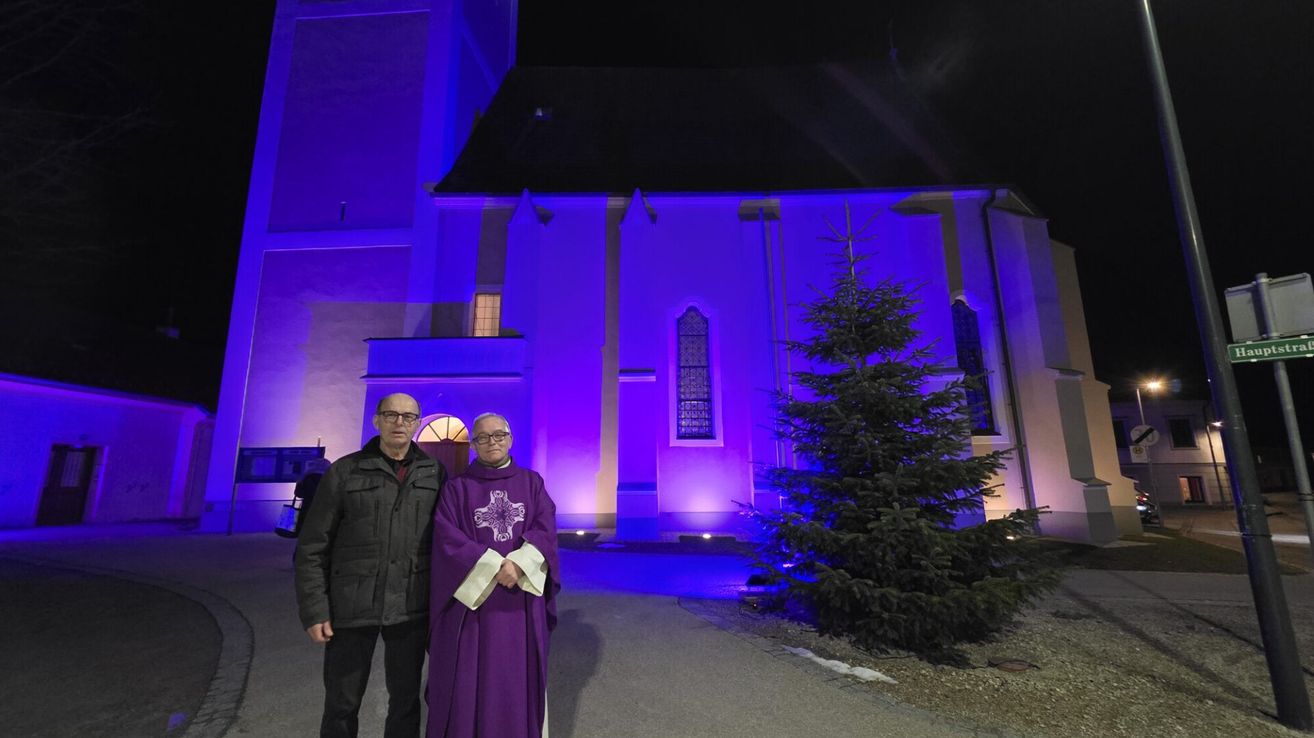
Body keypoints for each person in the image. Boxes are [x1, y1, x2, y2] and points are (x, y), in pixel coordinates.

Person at [295, 393, 447, 738]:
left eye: (408, 417)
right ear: (376, 420)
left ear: (418, 424)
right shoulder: (345, 471)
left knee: (406, 701)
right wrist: (315, 609)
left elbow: (448, 538)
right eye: (391, 415)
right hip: (351, 605)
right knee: (341, 703)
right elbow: (313, 545)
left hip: (410, 605)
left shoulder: (434, 472)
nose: (399, 423)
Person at [427, 412, 559, 738]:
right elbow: (446, 538)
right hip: (473, 606)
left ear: (510, 439)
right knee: (469, 678)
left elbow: (545, 528)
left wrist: (519, 565)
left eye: (498, 435)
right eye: (483, 438)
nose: (492, 442)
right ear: (473, 444)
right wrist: (492, 566)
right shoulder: (456, 488)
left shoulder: (532, 483)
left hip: (521, 602)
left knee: (516, 678)